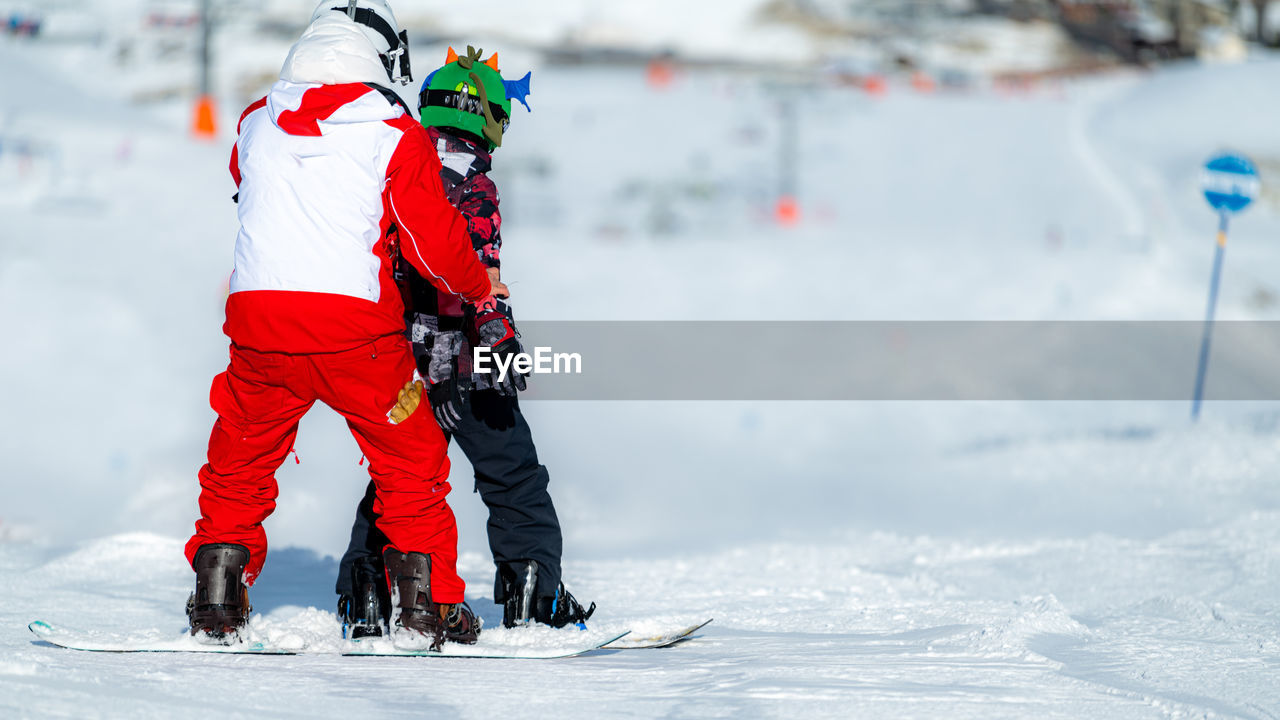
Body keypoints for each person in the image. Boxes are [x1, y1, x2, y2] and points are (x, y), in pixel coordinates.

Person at [185, 1, 507, 651]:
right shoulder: (393, 130)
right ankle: (428, 607)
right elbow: (430, 241)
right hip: (354, 332)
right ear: (385, 56)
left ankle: (218, 593)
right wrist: (480, 288)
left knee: (240, 459)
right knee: (411, 461)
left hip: (259, 322)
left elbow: (249, 194)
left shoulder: (254, 122)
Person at [335, 47, 594, 638]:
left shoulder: (394, 167)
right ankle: (533, 594)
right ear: (486, 118)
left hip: (396, 356)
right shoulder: (473, 184)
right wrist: (498, 333)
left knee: (399, 478)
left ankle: (369, 593)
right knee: (513, 475)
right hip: (466, 357)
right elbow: (478, 270)